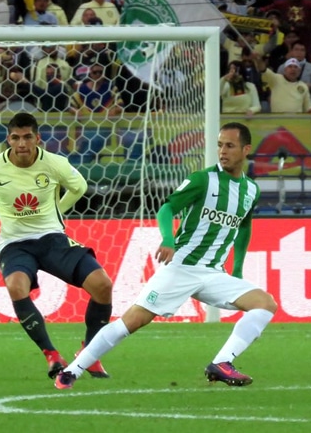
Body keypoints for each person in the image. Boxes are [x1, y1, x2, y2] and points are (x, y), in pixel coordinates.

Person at [55, 122, 277, 390]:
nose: (222, 151)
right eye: (219, 145)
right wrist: (168, 239)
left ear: (246, 149)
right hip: (182, 268)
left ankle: (221, 363)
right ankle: (72, 370)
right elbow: (167, 208)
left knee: (265, 303)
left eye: (229, 145)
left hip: (214, 273)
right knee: (133, 321)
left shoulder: (251, 189)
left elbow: (244, 226)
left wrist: (238, 269)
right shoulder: (203, 180)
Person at [0, 112, 113, 379]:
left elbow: (79, 186)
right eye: (15, 138)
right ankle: (51, 355)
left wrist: (58, 210)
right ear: (8, 140)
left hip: (52, 238)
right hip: (14, 243)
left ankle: (90, 352)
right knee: (16, 286)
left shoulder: (54, 163)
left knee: (102, 285)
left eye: (28, 137)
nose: (22, 144)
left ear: (38, 139)